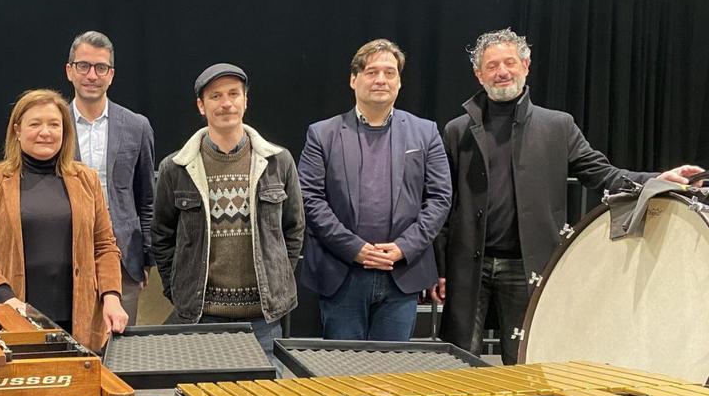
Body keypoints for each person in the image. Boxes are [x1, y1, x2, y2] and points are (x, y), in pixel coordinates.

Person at [433, 28, 703, 362]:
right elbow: (443, 202)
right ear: (479, 74)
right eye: (492, 66)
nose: (502, 72)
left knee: (524, 362)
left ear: (525, 66)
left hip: (529, 264)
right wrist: (440, 268)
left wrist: (657, 179)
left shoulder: (558, 126)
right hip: (468, 264)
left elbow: (602, 174)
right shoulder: (456, 131)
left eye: (509, 62)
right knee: (457, 359)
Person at [151, 64, 305, 396]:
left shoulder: (276, 160)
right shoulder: (176, 168)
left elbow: (294, 231)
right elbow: (162, 237)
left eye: (233, 94)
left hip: (262, 317)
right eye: (215, 96)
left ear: (245, 100)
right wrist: (181, 292)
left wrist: (275, 281)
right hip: (206, 318)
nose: (225, 103)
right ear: (201, 106)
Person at [299, 39, 451, 340]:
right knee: (341, 376)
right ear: (354, 79)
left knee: (391, 378)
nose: (381, 79)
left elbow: (440, 198)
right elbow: (310, 199)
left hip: (402, 276)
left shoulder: (426, 132)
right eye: (371, 72)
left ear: (399, 81)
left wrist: (403, 248)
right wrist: (355, 249)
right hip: (342, 274)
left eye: (389, 72)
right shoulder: (322, 134)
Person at [0, 89, 129, 349]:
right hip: (11, 316)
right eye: (35, 124)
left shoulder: (87, 180)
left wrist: (111, 296)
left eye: (54, 124)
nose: (46, 132)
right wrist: (5, 298)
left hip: (79, 319)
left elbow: (105, 245)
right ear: (17, 130)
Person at [65, 31, 155, 324]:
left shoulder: (137, 127)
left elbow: (147, 199)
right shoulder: (52, 126)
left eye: (100, 67)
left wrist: (145, 257)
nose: (92, 75)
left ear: (111, 75)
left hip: (123, 258)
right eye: (84, 66)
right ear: (70, 71)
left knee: (121, 351)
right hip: (65, 256)